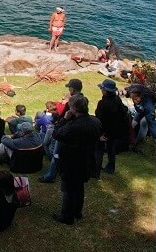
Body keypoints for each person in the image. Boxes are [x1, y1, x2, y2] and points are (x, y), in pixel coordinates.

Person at [51, 95, 102, 225]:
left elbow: (56, 134)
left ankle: (67, 216)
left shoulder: (74, 126)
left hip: (72, 161)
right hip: (87, 159)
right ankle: (77, 212)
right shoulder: (95, 121)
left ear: (73, 108)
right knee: (79, 187)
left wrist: (64, 119)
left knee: (68, 189)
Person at [93, 79, 130, 176]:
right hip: (116, 129)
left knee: (99, 148)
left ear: (105, 91)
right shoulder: (117, 99)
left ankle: (96, 170)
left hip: (105, 130)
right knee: (111, 148)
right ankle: (111, 166)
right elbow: (123, 111)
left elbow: (99, 119)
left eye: (102, 88)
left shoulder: (103, 103)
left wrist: (100, 133)